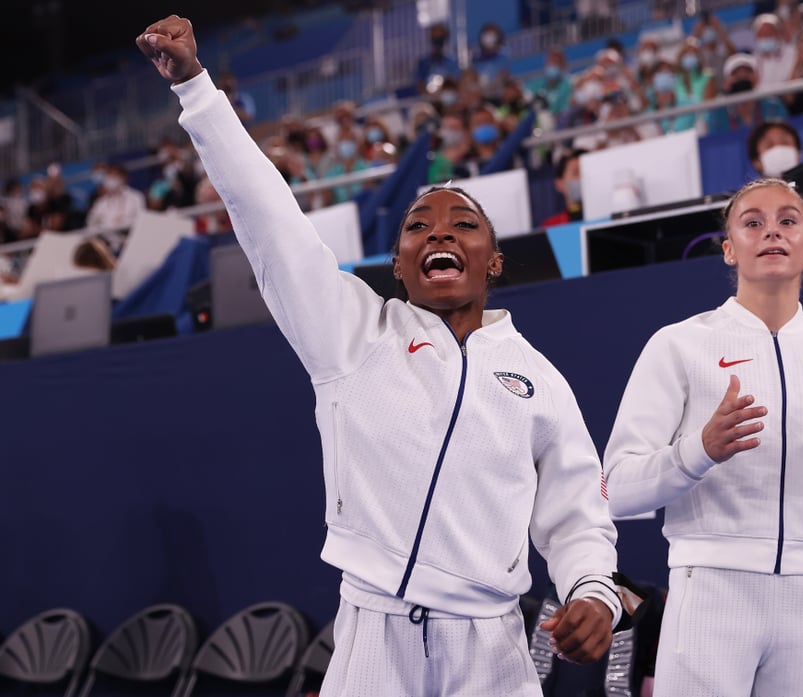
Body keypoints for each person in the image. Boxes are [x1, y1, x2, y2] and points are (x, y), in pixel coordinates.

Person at [137, 15, 622, 697]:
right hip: (374, 640)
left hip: (494, 650)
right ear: (398, 263)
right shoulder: (351, 334)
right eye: (418, 226)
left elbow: (577, 515)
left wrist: (592, 592)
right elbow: (270, 219)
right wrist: (197, 90)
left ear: (495, 260)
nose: (438, 232)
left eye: (462, 224)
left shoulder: (539, 380)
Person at [604, 177, 803, 697]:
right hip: (708, 592)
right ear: (730, 249)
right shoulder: (679, 345)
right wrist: (697, 452)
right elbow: (614, 489)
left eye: (788, 221)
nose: (771, 231)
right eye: (752, 222)